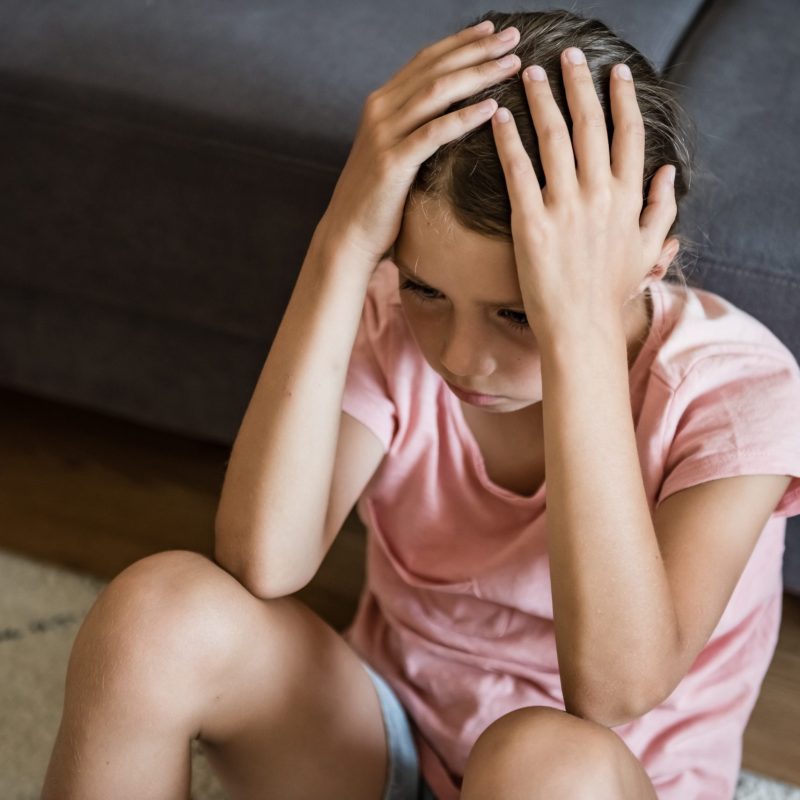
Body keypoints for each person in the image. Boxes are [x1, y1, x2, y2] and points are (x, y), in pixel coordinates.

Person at [41, 9, 800, 800]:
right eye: (424, 288)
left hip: (590, 780)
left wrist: (577, 335)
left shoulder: (734, 392)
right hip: (385, 743)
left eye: (518, 313)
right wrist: (343, 240)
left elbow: (613, 691)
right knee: (153, 614)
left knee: (541, 759)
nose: (460, 357)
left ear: (651, 263)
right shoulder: (389, 316)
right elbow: (265, 559)